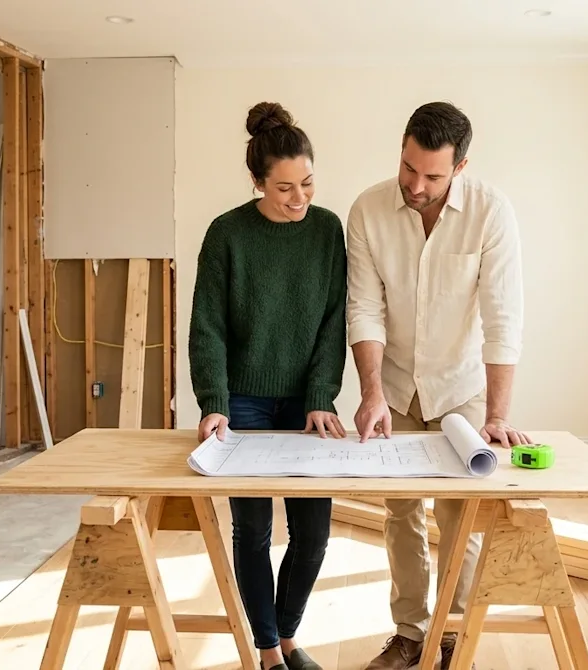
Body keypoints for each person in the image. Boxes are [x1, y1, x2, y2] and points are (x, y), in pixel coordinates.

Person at [346, 102, 529, 670]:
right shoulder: (368, 211)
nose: (415, 185)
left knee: (460, 516)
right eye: (408, 168)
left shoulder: (491, 212)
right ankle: (409, 635)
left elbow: (503, 319)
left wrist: (497, 415)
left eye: (432, 175)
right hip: (394, 386)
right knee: (400, 513)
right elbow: (365, 310)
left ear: (461, 166)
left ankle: (453, 640)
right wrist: (371, 392)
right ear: (401, 149)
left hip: (461, 390)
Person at [189, 101, 347, 670]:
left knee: (313, 534)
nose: (299, 199)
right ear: (257, 181)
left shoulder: (327, 231)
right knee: (253, 530)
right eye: (284, 189)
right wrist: (214, 404)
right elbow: (206, 324)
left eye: (307, 183)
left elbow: (334, 321)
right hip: (245, 403)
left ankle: (285, 634)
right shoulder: (227, 234)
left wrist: (320, 397)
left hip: (306, 401)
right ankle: (268, 653)